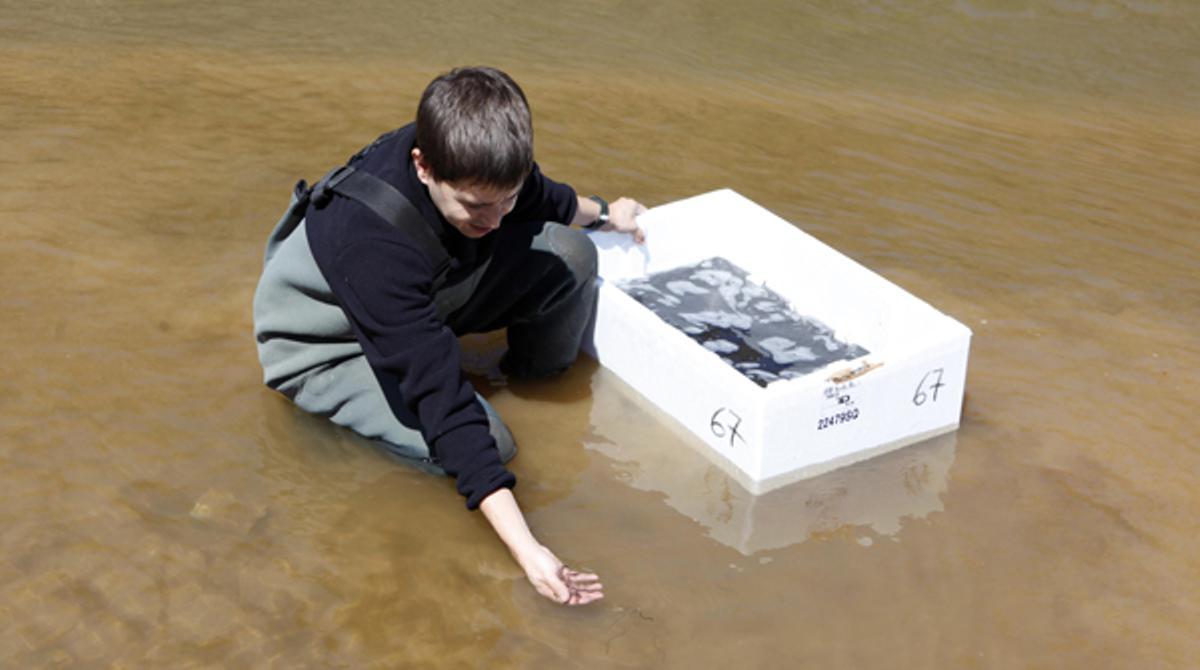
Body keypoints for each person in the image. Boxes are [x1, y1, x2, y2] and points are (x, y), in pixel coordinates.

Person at [252, 66, 646, 606]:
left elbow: (541, 197)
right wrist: (529, 550)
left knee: (571, 254)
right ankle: (343, 427)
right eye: (476, 206)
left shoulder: (477, 161)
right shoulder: (371, 244)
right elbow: (441, 398)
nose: (496, 219)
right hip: (326, 344)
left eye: (505, 199)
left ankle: (535, 379)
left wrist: (605, 215)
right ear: (423, 165)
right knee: (494, 444)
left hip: (412, 294)